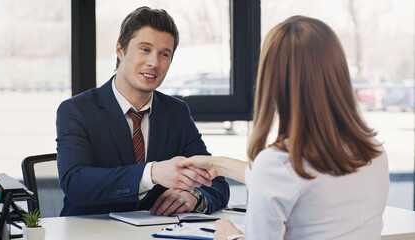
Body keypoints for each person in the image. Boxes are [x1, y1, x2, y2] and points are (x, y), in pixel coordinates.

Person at [177, 15, 389, 240]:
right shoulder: (374, 152)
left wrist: (229, 236)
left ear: (273, 81)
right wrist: (216, 165)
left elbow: (279, 178)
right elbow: (287, 181)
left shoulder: (279, 164)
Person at [56, 6, 229, 217]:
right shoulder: (77, 110)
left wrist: (194, 196)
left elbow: (215, 181)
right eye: (145, 49)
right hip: (91, 232)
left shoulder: (176, 112)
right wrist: (152, 173)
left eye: (164, 54)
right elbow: (76, 183)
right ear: (120, 50)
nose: (154, 63)